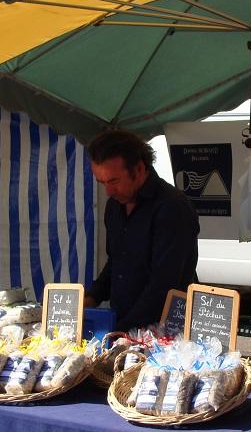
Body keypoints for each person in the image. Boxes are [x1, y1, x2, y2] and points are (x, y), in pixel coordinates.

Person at [84, 129, 199, 331]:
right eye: (101, 182)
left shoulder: (172, 207)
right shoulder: (114, 207)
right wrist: (91, 297)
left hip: (165, 331)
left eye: (113, 181)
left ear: (138, 169)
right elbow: (116, 262)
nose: (108, 191)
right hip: (124, 322)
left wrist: (122, 329)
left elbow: (164, 284)